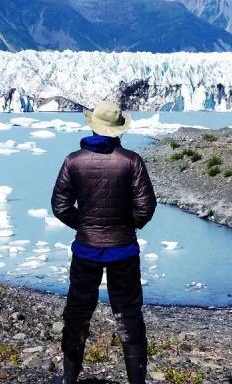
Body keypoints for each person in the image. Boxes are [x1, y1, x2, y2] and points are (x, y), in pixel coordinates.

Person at [51, 101, 157, 384]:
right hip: (123, 249)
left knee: (77, 312)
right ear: (118, 129)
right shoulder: (131, 160)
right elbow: (146, 207)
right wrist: (127, 227)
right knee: (128, 313)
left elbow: (60, 205)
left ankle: (69, 379)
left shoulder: (73, 160)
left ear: (93, 126)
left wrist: (84, 225)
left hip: (86, 249)